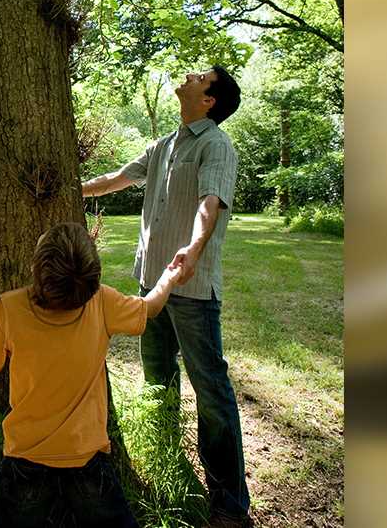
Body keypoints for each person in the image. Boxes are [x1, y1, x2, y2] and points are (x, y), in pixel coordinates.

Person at [0, 222, 184, 527]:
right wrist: (170, 276)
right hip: (85, 456)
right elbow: (150, 307)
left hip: (26, 458)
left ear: (36, 269)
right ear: (93, 279)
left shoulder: (10, 308)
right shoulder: (101, 302)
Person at [80, 67, 251, 527]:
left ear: (209, 100)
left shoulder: (215, 144)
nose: (190, 75)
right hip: (150, 284)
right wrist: (71, 188)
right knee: (157, 376)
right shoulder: (164, 144)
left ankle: (230, 505)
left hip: (190, 287)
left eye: (201, 76)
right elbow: (119, 178)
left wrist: (192, 249)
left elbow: (210, 202)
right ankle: (166, 460)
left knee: (211, 391)